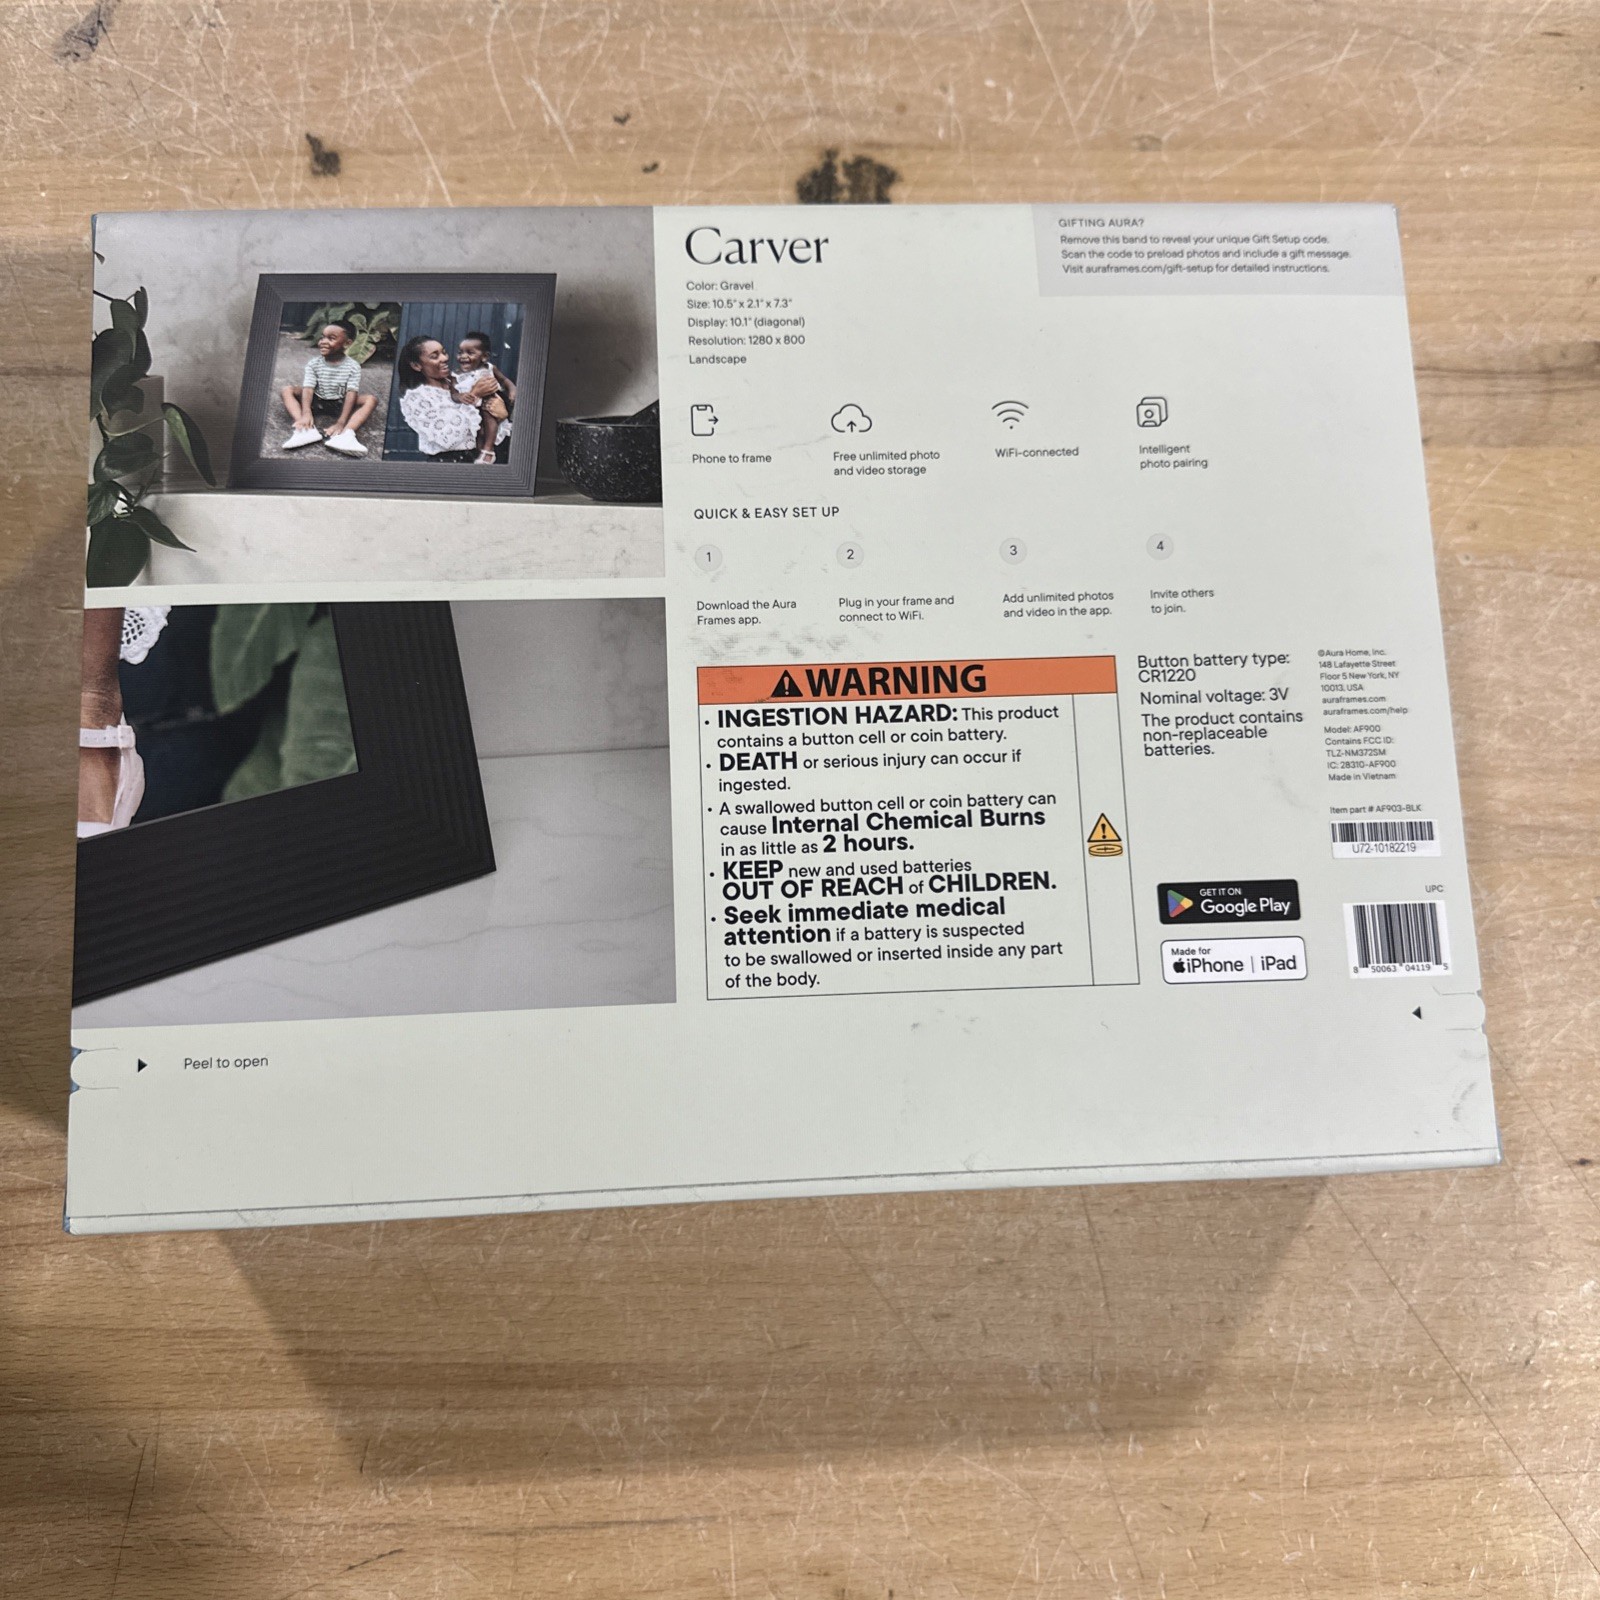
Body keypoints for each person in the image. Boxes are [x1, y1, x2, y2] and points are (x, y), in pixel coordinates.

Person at [395, 335, 506, 464]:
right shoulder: (416, 399)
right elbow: (449, 438)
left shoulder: (461, 383)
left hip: (481, 459)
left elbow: (485, 425)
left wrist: (501, 415)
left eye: (444, 352)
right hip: (449, 463)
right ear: (416, 365)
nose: (445, 358)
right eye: (434, 356)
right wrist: (474, 394)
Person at [280, 319, 377, 456]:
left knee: (371, 399)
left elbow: (351, 393)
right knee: (287, 390)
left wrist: (341, 422)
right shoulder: (314, 364)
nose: (323, 342)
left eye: (331, 338)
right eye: (322, 337)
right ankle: (304, 429)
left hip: (340, 402)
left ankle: (346, 434)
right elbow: (308, 388)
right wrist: (306, 413)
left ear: (347, 343)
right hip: (316, 400)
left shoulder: (353, 366)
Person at [454, 331, 515, 462]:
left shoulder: (489, 368)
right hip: (472, 407)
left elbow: (504, 380)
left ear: (485, 357)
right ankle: (480, 453)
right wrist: (459, 396)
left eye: (470, 353)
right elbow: (453, 394)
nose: (463, 356)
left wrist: (512, 389)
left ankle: (488, 449)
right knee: (478, 431)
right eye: (460, 352)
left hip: (489, 404)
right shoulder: (456, 375)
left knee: (489, 411)